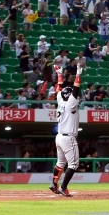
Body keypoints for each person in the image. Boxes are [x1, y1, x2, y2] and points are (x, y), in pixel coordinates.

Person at [48, 62, 83, 197]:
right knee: (73, 164)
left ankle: (54, 184)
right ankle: (63, 187)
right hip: (68, 138)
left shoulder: (60, 100)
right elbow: (75, 89)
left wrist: (59, 74)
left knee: (61, 163)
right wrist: (78, 75)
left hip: (59, 137)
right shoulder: (70, 103)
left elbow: (59, 88)